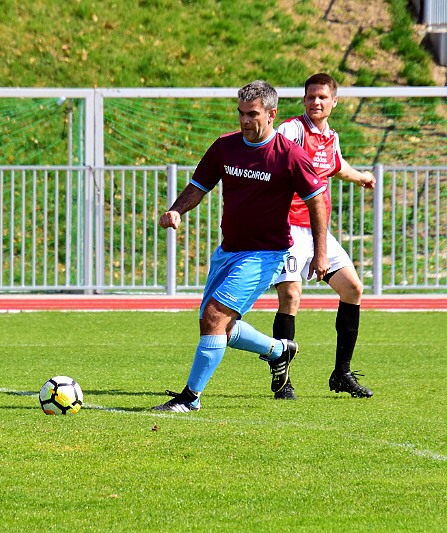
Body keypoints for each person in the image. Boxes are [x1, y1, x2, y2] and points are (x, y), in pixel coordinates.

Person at [153, 80, 330, 413]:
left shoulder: (290, 155)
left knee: (214, 316)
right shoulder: (225, 146)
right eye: (241, 113)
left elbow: (316, 201)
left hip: (265, 255)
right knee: (218, 325)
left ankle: (190, 398)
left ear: (271, 114)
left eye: (253, 114)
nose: (245, 120)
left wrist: (320, 253)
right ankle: (279, 351)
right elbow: (198, 186)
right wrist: (176, 210)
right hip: (228, 251)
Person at [271, 73, 376, 400]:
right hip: (288, 228)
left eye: (322, 97)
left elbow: (337, 166)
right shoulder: (293, 130)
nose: (316, 102)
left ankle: (342, 373)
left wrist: (361, 177)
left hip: (318, 230)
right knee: (291, 296)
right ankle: (282, 380)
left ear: (334, 102)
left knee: (352, 288)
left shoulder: (331, 137)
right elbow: (271, 157)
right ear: (304, 100)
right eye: (311, 96)